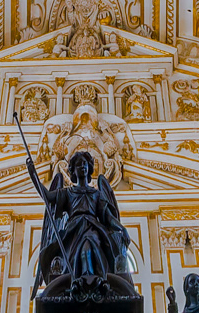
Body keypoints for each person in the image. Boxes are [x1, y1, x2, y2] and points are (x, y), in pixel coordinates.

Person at [19, 123, 131, 294]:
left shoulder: (96, 193)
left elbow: (108, 217)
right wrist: (34, 176)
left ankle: (91, 277)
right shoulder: (67, 193)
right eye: (79, 164)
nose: (83, 167)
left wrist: (121, 228)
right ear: (73, 170)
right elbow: (48, 198)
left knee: (91, 240)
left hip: (93, 227)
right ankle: (85, 278)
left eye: (85, 164)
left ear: (89, 168)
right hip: (73, 230)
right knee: (84, 241)